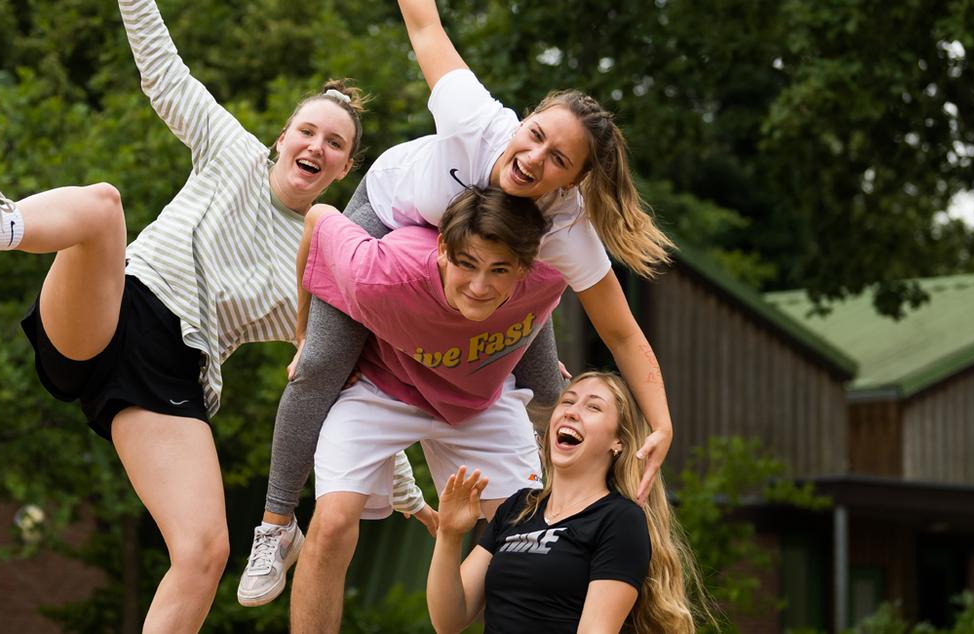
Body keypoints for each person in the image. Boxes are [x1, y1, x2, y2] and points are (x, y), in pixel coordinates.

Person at [0, 0, 420, 629]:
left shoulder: (322, 262)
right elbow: (162, 70)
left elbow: (337, 379)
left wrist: (406, 491)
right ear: (283, 137)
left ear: (344, 169)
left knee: (206, 552)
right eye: (308, 132)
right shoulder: (230, 149)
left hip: (168, 383)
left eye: (335, 144)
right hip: (109, 310)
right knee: (104, 206)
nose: (317, 146)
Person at [251, 0, 684, 615]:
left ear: (574, 180)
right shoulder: (475, 121)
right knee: (321, 363)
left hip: (489, 275)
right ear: (523, 120)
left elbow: (622, 332)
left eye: (558, 159)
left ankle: (566, 522)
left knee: (538, 377)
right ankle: (274, 522)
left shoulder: (567, 230)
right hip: (391, 218)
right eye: (535, 135)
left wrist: (661, 421)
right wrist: (304, 331)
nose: (534, 158)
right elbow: (425, 24)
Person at [282, 185, 577, 631]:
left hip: (482, 396)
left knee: (528, 537)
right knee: (332, 523)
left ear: (523, 269)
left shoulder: (550, 277)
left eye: (499, 270)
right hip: (384, 386)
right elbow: (319, 219)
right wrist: (303, 334)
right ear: (443, 250)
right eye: (467, 265)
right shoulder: (382, 270)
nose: (480, 287)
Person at [428, 371, 709, 633]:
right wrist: (449, 535)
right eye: (567, 401)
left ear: (618, 442)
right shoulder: (517, 507)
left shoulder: (619, 519)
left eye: (593, 407)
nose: (572, 412)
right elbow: (449, 621)